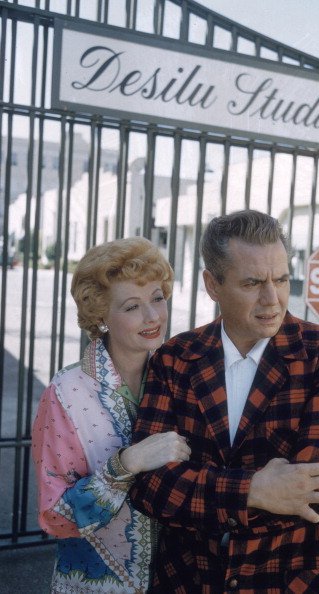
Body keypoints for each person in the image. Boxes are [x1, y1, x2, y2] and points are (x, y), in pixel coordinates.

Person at [130, 210, 319, 594]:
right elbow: (149, 487)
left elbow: (316, 495)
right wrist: (254, 490)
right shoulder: (175, 358)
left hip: (292, 583)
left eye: (283, 279)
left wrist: (199, 494)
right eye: (252, 282)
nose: (273, 299)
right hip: (188, 582)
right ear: (212, 284)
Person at [32, 237, 191, 594]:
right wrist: (126, 463)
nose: (153, 317)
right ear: (100, 314)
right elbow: (56, 516)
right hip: (96, 584)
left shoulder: (182, 378)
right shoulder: (65, 393)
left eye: (158, 298)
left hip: (177, 579)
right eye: (132, 306)